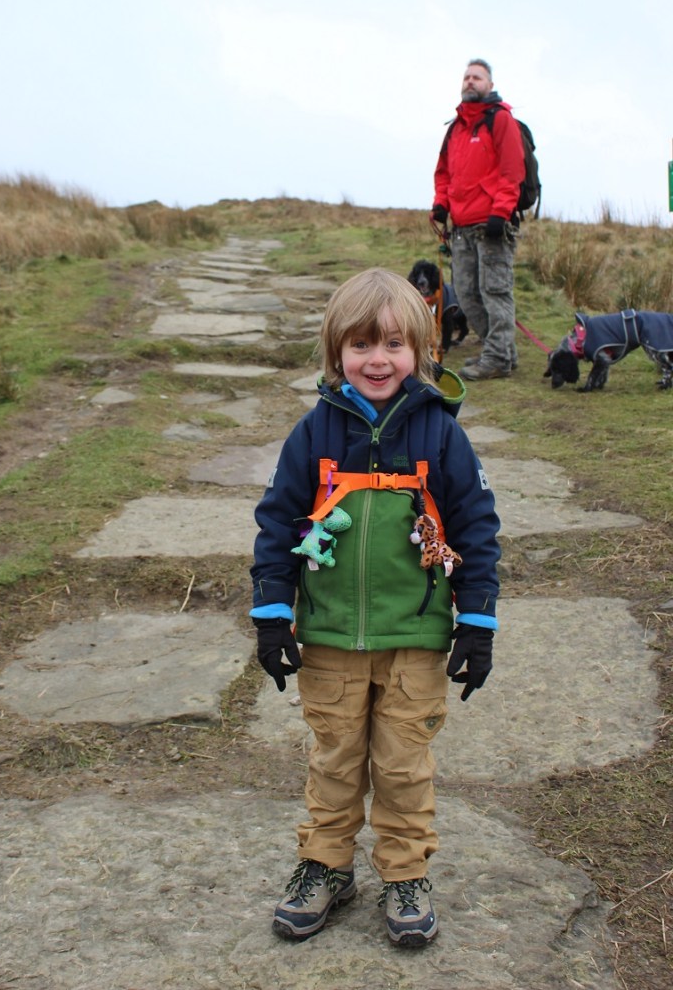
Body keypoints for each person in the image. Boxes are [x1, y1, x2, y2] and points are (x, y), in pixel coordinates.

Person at [250, 268, 500, 947]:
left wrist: (477, 621)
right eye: (361, 344)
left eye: (393, 343)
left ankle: (406, 873)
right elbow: (276, 522)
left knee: (402, 765)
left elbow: (477, 528)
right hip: (329, 638)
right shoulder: (313, 432)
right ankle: (325, 866)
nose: (378, 359)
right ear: (337, 352)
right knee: (334, 759)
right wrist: (271, 613)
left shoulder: (443, 436)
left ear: (421, 349)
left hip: (415, 638)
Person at [431, 58, 525, 379]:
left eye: (478, 77)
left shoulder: (500, 120)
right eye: (467, 77)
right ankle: (500, 351)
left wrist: (501, 212)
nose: (470, 81)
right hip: (460, 228)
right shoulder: (456, 127)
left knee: (494, 291)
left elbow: (512, 172)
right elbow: (444, 173)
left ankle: (497, 357)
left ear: (490, 85)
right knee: (466, 294)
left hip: (492, 226)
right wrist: (440, 205)